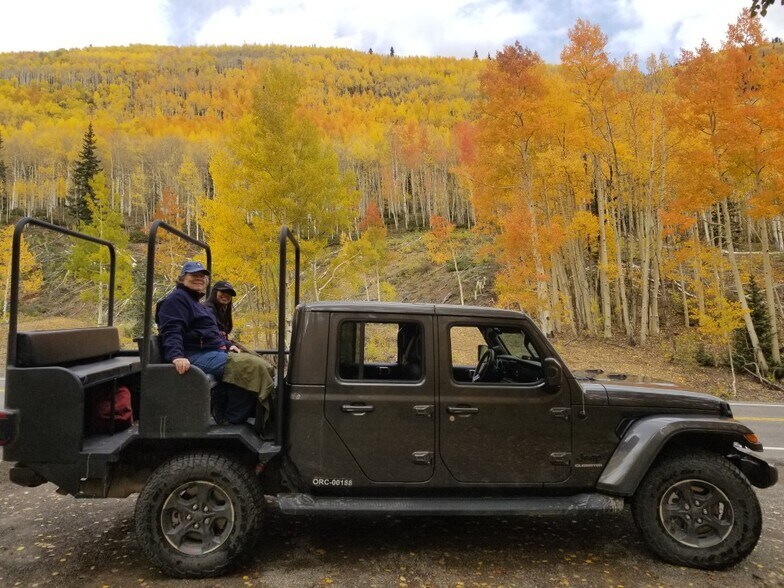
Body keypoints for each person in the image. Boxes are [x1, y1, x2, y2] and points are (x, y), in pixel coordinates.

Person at [155, 261, 274, 425]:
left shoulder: (195, 302)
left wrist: (227, 344)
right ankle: (233, 420)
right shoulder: (177, 300)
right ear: (182, 278)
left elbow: (211, 333)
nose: (199, 279)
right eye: (194, 275)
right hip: (193, 354)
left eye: (202, 276)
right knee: (252, 367)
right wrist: (177, 356)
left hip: (210, 351)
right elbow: (172, 329)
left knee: (263, 364)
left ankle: (247, 413)